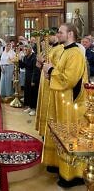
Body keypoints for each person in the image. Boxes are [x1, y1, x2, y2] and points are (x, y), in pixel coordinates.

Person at [42, 23, 88, 188]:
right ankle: (58, 164)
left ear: (70, 34)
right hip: (60, 100)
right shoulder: (65, 51)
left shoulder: (75, 53)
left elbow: (70, 79)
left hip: (70, 104)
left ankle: (73, 174)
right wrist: (50, 72)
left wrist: (51, 70)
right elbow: (59, 73)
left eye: (60, 32)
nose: (58, 34)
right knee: (59, 132)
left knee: (69, 135)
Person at [35, 29, 64, 137]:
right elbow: (44, 66)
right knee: (44, 105)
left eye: (48, 36)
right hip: (44, 83)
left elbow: (56, 68)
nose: (45, 39)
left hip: (51, 84)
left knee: (49, 108)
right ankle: (44, 133)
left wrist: (43, 63)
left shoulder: (60, 49)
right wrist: (40, 64)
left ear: (55, 35)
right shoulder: (51, 48)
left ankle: (49, 134)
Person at [20, 44, 40, 116]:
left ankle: (33, 109)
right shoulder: (25, 57)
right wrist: (20, 59)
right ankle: (29, 106)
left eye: (26, 50)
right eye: (24, 50)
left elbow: (36, 70)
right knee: (27, 92)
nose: (25, 51)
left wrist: (33, 80)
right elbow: (23, 66)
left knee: (33, 93)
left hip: (33, 77)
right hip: (27, 76)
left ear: (30, 49)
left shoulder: (34, 58)